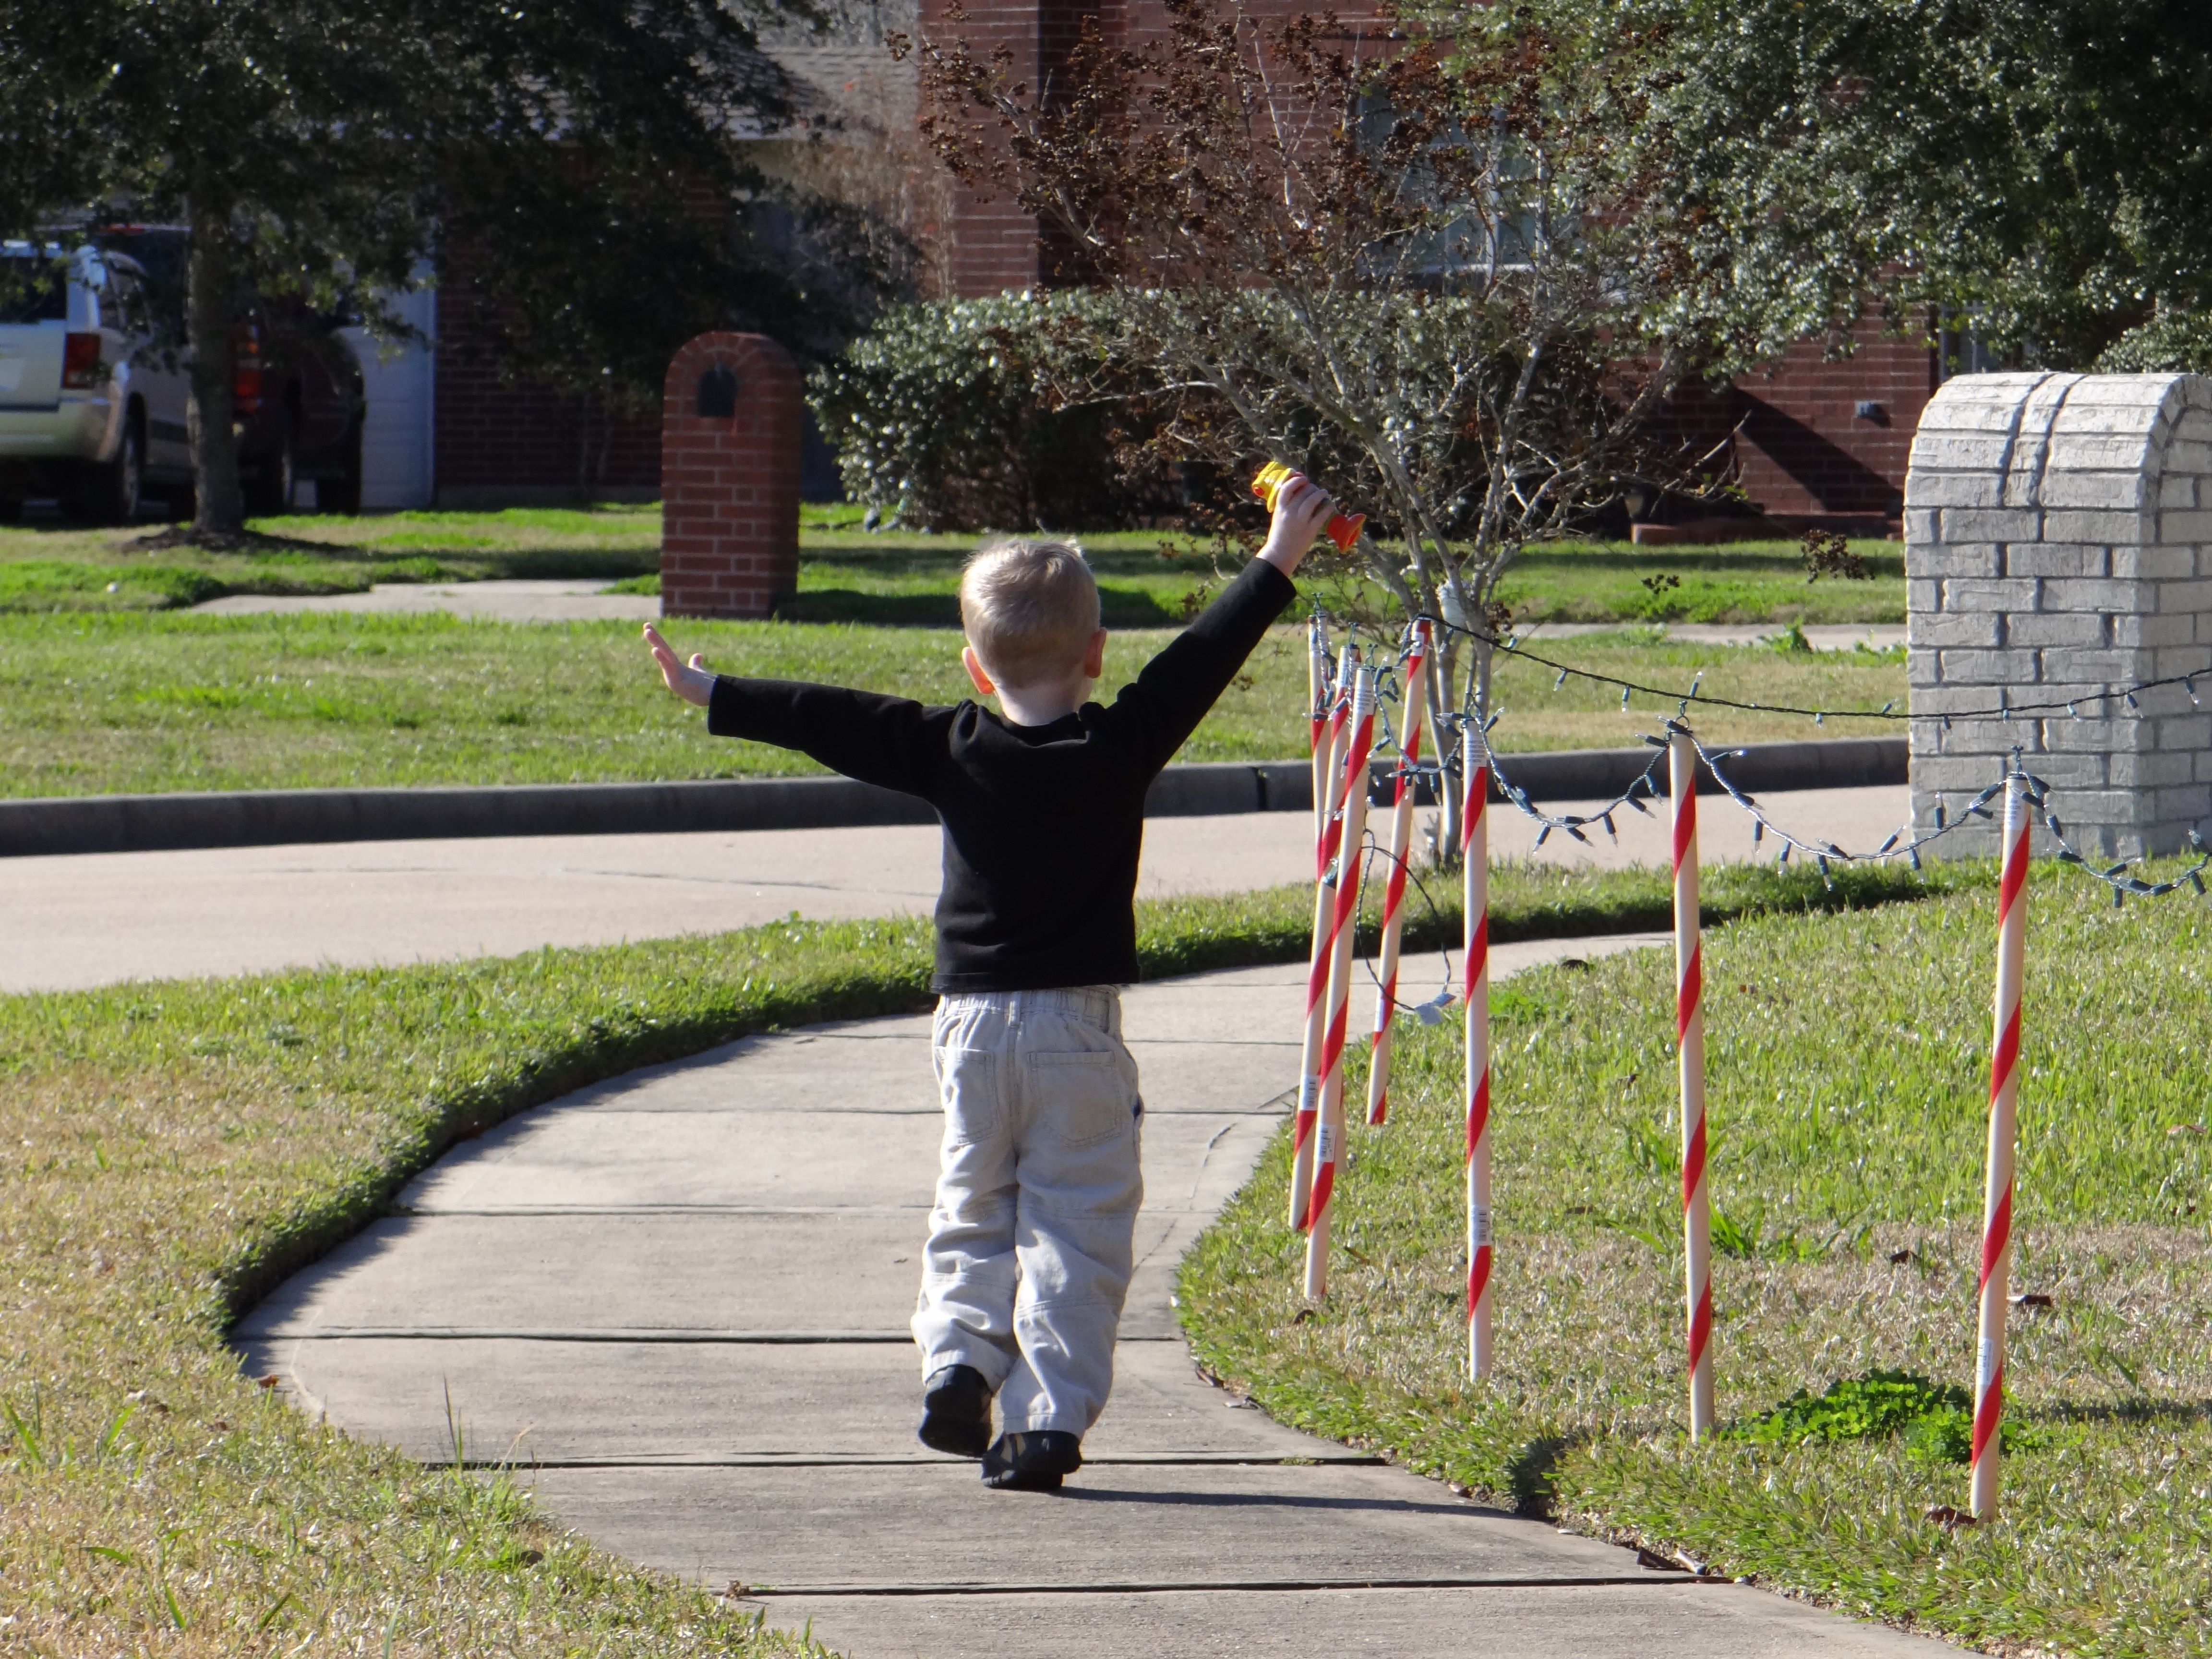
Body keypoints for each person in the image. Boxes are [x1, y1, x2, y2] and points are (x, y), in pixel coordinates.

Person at [644, 472, 1337, 1491]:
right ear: (1097, 656)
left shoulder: (949, 745)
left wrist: (714, 693)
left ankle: (958, 1366)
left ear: (975, 667)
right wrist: (1279, 554)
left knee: (972, 1206)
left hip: (969, 1032)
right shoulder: (1121, 742)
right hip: (1077, 1036)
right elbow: (1201, 659)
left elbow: (836, 718)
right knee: (1075, 1226)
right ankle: (1045, 1423)